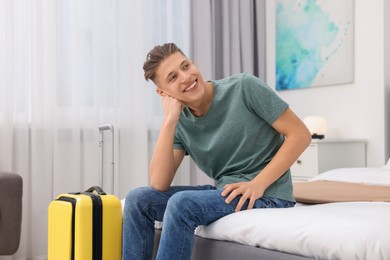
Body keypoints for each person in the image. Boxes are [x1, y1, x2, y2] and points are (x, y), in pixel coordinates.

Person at [122, 43, 311, 260]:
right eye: (173, 78)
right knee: (138, 200)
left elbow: (300, 135)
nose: (185, 77)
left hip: (268, 193)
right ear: (162, 93)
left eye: (186, 66)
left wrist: (258, 184)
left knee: (182, 204)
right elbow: (158, 183)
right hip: (227, 191)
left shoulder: (244, 87)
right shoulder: (179, 120)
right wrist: (168, 121)